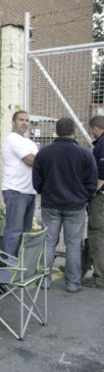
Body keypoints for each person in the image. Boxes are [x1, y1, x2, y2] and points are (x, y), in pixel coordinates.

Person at [32, 117, 97, 293]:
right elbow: (92, 182)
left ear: (57, 131)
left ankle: (44, 281)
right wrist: (85, 197)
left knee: (48, 242)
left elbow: (36, 181)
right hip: (75, 206)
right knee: (74, 244)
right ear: (74, 132)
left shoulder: (44, 153)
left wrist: (43, 192)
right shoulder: (85, 154)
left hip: (50, 204)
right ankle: (73, 283)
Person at [1, 111, 38, 256]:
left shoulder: (29, 142)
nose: (25, 123)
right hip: (15, 191)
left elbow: (38, 161)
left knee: (25, 232)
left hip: (29, 191)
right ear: (13, 122)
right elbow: (31, 160)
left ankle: (20, 267)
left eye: (27, 120)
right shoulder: (12, 139)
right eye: (21, 120)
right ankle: (9, 267)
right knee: (14, 231)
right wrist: (39, 161)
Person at [85, 115, 104, 289]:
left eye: (92, 129)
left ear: (96, 128)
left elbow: (102, 175)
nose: (91, 132)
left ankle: (99, 278)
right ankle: (81, 268)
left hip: (101, 196)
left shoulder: (102, 144)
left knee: (96, 234)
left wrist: (90, 193)